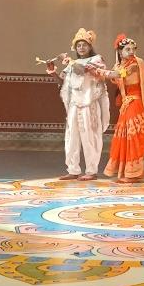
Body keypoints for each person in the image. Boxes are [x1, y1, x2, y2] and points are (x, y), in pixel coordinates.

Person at [46, 28, 109, 181]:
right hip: (74, 104)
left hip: (89, 104)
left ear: (90, 46)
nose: (81, 47)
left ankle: (91, 171)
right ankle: (73, 170)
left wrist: (68, 60)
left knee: (90, 137)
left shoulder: (96, 60)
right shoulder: (71, 65)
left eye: (84, 45)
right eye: (78, 45)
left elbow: (82, 70)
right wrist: (53, 72)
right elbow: (63, 83)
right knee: (71, 137)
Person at [94, 34, 144, 183]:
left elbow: (119, 75)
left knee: (134, 136)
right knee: (124, 137)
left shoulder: (137, 63)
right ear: (120, 52)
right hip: (126, 105)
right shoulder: (119, 65)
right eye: (127, 49)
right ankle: (128, 172)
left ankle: (133, 173)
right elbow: (114, 76)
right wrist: (97, 70)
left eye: (133, 49)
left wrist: (99, 71)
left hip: (136, 102)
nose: (131, 51)